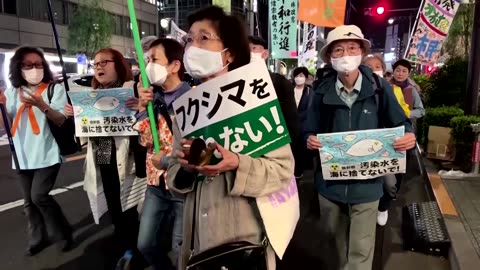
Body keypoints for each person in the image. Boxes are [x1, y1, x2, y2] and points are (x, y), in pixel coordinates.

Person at [168, 6, 294, 270]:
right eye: (190, 39)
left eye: (204, 37)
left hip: (244, 240)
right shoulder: (187, 108)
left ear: (230, 53)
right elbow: (174, 176)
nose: (193, 46)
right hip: (198, 240)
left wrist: (237, 162)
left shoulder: (254, 100)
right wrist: (187, 170)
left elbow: (283, 170)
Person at [304, 25, 416, 270]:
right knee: (334, 246)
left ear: (362, 52)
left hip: (367, 184)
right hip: (329, 185)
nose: (346, 55)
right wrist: (309, 139)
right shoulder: (320, 91)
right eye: (339, 50)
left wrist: (409, 136)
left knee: (361, 250)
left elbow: (401, 122)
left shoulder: (378, 87)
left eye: (352, 48)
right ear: (330, 57)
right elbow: (308, 128)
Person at [64, 48, 143, 268]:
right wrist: (75, 116)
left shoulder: (133, 89)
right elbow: (84, 134)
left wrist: (142, 107)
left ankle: (136, 249)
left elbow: (150, 121)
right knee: (112, 199)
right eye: (95, 64)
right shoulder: (89, 95)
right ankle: (124, 244)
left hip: (128, 155)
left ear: (118, 64)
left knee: (130, 204)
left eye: (104, 62)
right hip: (103, 148)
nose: (98, 67)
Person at [0, 46, 73, 256]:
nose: (34, 68)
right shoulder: (13, 92)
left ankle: (62, 232)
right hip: (21, 155)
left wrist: (41, 105)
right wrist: (2, 106)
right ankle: (37, 237)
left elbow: (61, 120)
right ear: (18, 67)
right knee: (29, 203)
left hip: (47, 153)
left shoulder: (54, 89)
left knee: (39, 196)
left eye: (38, 64)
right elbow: (5, 123)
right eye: (28, 65)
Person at [135, 38, 191, 270]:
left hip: (181, 184)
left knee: (181, 247)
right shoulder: (150, 99)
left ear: (174, 65)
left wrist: (168, 162)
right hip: (154, 182)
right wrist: (141, 108)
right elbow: (146, 140)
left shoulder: (194, 98)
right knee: (145, 243)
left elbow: (195, 148)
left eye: (154, 60)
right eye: (147, 60)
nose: (149, 66)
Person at [363, 54, 410, 226]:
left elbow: (401, 117)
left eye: (377, 66)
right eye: (368, 66)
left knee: (389, 184)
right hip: (362, 147)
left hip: (386, 146)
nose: (373, 70)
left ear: (383, 70)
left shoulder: (391, 89)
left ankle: (383, 207)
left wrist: (408, 130)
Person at [248, 35, 298, 147]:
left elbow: (291, 122)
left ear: (265, 54)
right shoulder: (237, 84)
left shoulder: (280, 83)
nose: (248, 53)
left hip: (276, 147)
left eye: (253, 48)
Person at [391, 59, 425, 129]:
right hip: (388, 127)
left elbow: (421, 111)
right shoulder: (386, 87)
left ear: (408, 73)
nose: (400, 74)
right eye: (398, 70)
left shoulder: (412, 90)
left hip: (407, 127)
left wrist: (407, 113)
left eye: (404, 71)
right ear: (393, 72)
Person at [291, 67, 312, 179]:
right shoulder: (289, 90)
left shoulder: (310, 92)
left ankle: (299, 171)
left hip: (304, 126)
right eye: (297, 76)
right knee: (291, 149)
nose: (299, 78)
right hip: (292, 125)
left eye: (301, 76)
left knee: (301, 150)